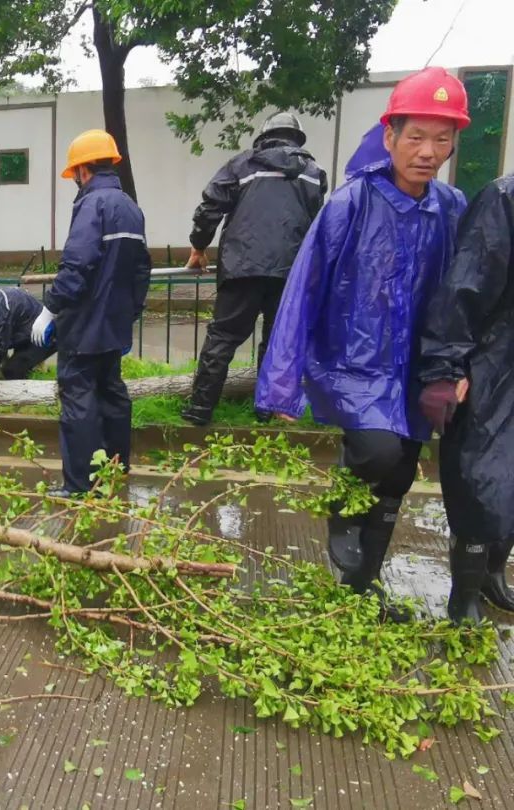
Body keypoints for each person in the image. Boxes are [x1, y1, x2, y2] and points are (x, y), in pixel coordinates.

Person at [255, 67, 470, 620]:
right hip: (354, 363)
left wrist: (460, 365)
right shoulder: (352, 202)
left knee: (400, 472)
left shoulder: (450, 207)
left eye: (442, 138)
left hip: (415, 366)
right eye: (416, 136)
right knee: (377, 451)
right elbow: (304, 285)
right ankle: (339, 511)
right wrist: (281, 385)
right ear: (391, 135)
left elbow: (469, 290)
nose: (428, 151)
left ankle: (361, 588)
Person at [181, 112, 327, 426]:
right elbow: (317, 224)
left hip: (242, 267)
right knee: (277, 341)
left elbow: (210, 207)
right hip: (290, 272)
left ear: (263, 138)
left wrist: (198, 245)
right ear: (297, 139)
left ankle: (199, 410)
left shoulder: (242, 165)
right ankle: (265, 410)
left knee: (222, 338)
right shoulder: (314, 174)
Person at [31, 129, 151, 496]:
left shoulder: (92, 205)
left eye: (74, 174)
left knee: (78, 401)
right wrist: (127, 315)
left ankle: (79, 484)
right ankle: (116, 468)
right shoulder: (131, 207)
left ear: (82, 169)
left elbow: (77, 264)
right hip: (113, 327)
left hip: (84, 327)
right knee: (112, 393)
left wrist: (50, 308)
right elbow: (141, 270)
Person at [417, 173, 514, 623]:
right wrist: (447, 365)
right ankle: (466, 591)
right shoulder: (504, 198)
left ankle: (495, 572)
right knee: (482, 475)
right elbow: (465, 287)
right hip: (496, 358)